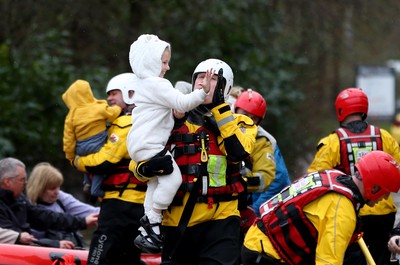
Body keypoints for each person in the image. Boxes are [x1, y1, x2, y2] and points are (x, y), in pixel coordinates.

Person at [130, 58, 258, 264]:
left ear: (226, 86)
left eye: (213, 78)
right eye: (199, 77)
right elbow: (137, 161)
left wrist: (219, 108)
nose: (203, 82)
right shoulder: (169, 120)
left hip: (220, 221)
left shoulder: (240, 122)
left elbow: (239, 152)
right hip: (177, 223)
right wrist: (145, 168)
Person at [127, 33, 211, 252]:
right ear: (151, 62)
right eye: (163, 62)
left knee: (155, 183)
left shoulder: (143, 84)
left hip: (138, 144)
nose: (167, 67)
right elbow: (182, 102)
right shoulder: (156, 84)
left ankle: (147, 232)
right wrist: (202, 92)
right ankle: (153, 217)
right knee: (172, 180)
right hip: (150, 145)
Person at [242, 150, 400, 265]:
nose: (385, 198)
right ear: (374, 188)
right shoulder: (343, 212)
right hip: (266, 255)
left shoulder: (333, 176)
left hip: (257, 241)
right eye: (386, 192)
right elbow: (328, 262)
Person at [307, 87, 400, 265]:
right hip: (383, 213)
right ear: (364, 109)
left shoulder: (333, 142)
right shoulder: (384, 137)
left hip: (350, 212)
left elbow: (316, 178)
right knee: (382, 258)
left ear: (340, 111)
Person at [73, 72, 148, 265]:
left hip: (119, 204)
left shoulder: (125, 123)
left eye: (114, 93)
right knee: (128, 257)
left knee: (100, 255)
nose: (108, 99)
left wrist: (78, 161)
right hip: (138, 206)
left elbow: (105, 160)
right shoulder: (145, 120)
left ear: (130, 93)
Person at [0, 157, 98, 249]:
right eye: (22, 179)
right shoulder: (15, 202)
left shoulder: (20, 200)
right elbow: (18, 238)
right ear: (7, 181)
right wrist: (54, 244)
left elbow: (46, 217)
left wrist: (82, 222)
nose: (26, 182)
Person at [233, 89, 291, 217]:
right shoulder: (218, 127)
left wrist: (256, 210)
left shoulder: (263, 141)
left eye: (253, 118)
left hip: (240, 206)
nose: (247, 121)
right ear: (235, 110)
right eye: (244, 114)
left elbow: (271, 177)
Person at [62, 79, 122, 198]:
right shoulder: (97, 108)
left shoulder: (71, 115)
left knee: (86, 161)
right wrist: (119, 108)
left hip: (81, 147)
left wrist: (70, 155)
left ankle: (87, 183)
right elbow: (112, 115)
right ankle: (96, 189)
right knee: (98, 166)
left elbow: (68, 138)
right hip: (97, 144)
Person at [25, 162, 100, 249]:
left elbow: (93, 212)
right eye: (52, 188)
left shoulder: (61, 198)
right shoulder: (27, 206)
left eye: (58, 187)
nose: (57, 192)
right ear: (40, 188)